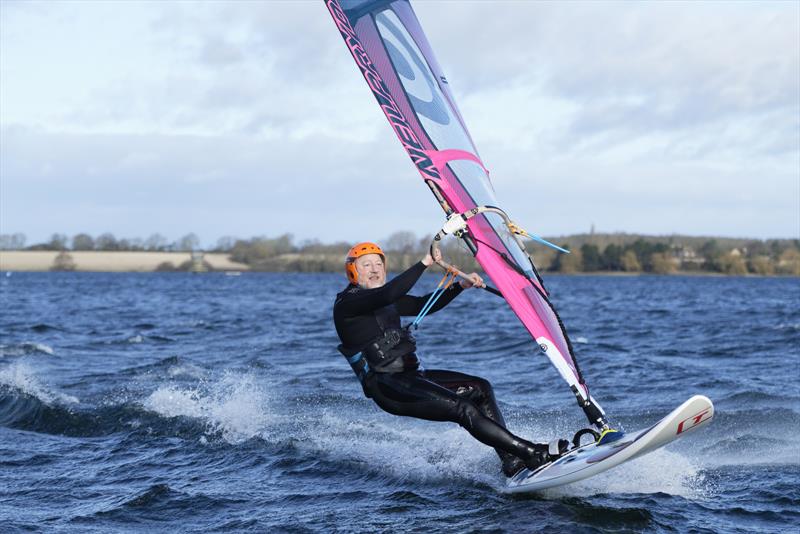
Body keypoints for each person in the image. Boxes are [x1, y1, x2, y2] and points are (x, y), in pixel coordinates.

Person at [332, 241, 567, 477]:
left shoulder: (382, 298)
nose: (374, 269)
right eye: (366, 265)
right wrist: (424, 263)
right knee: (462, 408)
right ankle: (532, 453)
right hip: (387, 385)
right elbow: (390, 292)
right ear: (353, 270)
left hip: (412, 376)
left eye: (378, 264)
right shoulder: (348, 303)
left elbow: (421, 304)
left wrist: (459, 287)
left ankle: (510, 460)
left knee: (480, 388)